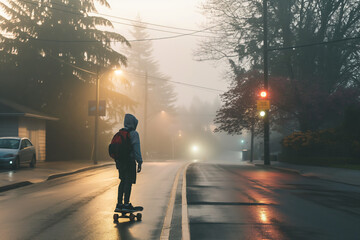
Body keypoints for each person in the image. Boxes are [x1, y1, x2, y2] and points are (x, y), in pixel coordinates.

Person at [111, 113, 143, 211]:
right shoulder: (133, 134)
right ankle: (126, 204)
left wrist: (117, 162)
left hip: (120, 162)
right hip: (129, 161)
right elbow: (136, 149)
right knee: (128, 182)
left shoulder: (120, 133)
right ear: (133, 123)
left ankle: (119, 204)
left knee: (122, 181)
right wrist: (139, 162)